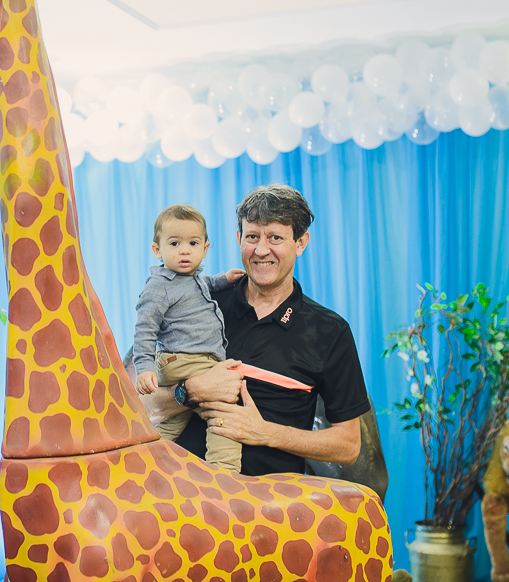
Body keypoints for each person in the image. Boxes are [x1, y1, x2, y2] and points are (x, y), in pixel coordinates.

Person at [142, 184, 371, 476]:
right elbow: (139, 407)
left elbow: (348, 446)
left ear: (301, 243)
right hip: (179, 494)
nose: (261, 250)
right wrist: (189, 391)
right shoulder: (197, 300)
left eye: (275, 237)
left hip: (270, 508)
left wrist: (263, 432)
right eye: (252, 237)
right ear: (239, 238)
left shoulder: (330, 331)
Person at [132, 204, 245, 471]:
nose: (184, 250)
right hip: (185, 360)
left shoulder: (191, 279)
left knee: (172, 422)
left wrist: (224, 279)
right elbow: (145, 327)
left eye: (193, 243)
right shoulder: (160, 285)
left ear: (205, 249)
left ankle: (141, 460)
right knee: (223, 406)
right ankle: (225, 470)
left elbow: (204, 285)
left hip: (187, 360)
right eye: (174, 243)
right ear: (157, 250)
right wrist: (144, 367)